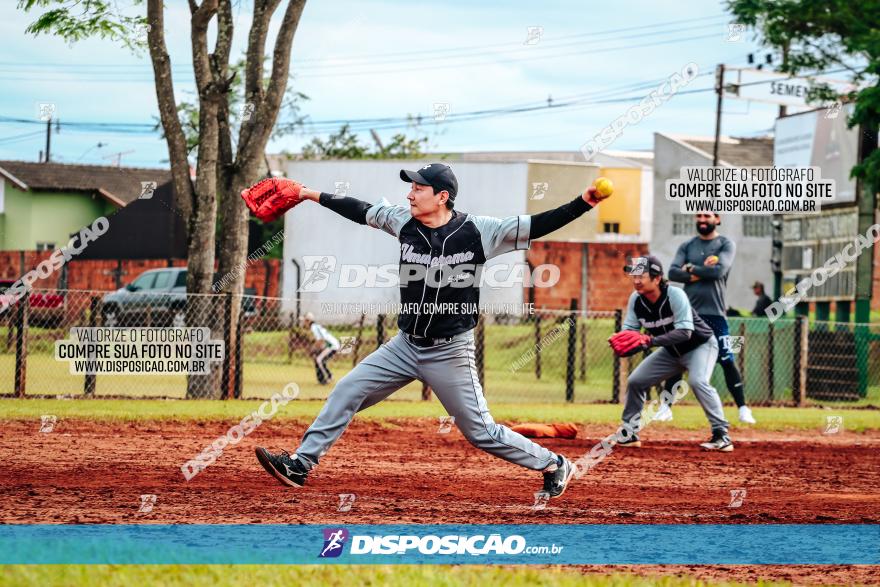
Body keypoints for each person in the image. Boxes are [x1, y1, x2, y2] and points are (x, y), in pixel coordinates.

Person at [255, 163, 607, 499]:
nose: (410, 194)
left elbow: (538, 224)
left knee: (482, 433)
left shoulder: (479, 231)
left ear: (442, 196)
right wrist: (304, 192)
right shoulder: (403, 221)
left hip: (450, 352)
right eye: (411, 186)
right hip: (404, 346)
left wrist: (584, 202)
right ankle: (301, 464)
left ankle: (555, 464)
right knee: (347, 389)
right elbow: (359, 209)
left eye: (418, 188)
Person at [610, 255, 734, 451]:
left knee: (697, 381)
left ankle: (721, 435)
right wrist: (623, 339)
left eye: (641, 276)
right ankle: (629, 432)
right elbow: (631, 332)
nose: (636, 281)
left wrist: (649, 341)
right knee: (636, 381)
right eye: (633, 276)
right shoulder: (636, 299)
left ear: (657, 278)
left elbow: (685, 332)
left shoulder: (675, 295)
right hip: (670, 351)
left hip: (700, 346)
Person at [657, 213, 757, 425]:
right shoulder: (687, 245)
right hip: (689, 313)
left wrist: (691, 269)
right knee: (677, 358)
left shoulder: (725, 244)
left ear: (717, 219)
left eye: (707, 215)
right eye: (699, 215)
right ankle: (665, 407)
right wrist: (703, 270)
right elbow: (673, 273)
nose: (702, 219)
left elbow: (719, 271)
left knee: (726, 359)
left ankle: (743, 408)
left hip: (716, 314)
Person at [302, 312, 340, 385]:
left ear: (308, 321)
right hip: (331, 345)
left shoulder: (314, 327)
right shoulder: (315, 326)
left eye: (305, 321)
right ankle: (326, 377)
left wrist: (313, 348)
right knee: (320, 360)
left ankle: (328, 377)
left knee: (319, 360)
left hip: (332, 346)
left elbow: (320, 340)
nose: (304, 323)